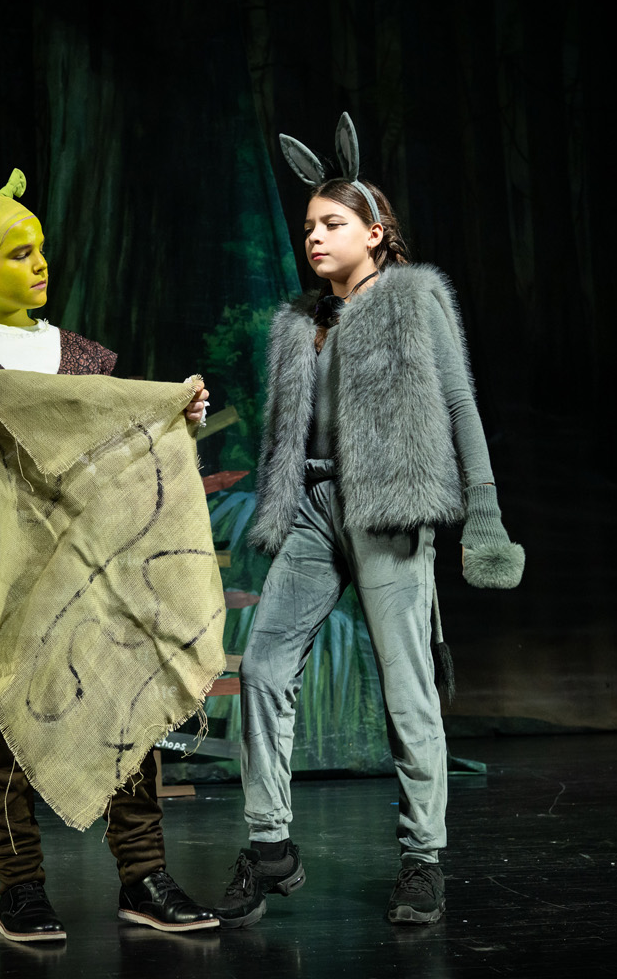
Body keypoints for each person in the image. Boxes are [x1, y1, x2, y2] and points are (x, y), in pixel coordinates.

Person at [0, 169, 216, 942]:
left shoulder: (79, 357)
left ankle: (144, 875)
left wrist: (175, 420)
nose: (39, 264)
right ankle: (21, 889)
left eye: (40, 249)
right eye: (19, 253)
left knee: (125, 710)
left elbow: (116, 462)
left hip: (88, 571)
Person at [213, 115, 524, 928]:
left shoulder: (415, 299)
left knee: (406, 687)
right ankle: (269, 845)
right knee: (263, 667)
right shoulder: (301, 322)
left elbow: (459, 403)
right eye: (307, 227)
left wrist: (485, 516)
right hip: (314, 510)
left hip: (389, 508)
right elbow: (288, 435)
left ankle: (423, 859)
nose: (313, 237)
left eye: (331, 223)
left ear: (375, 232)